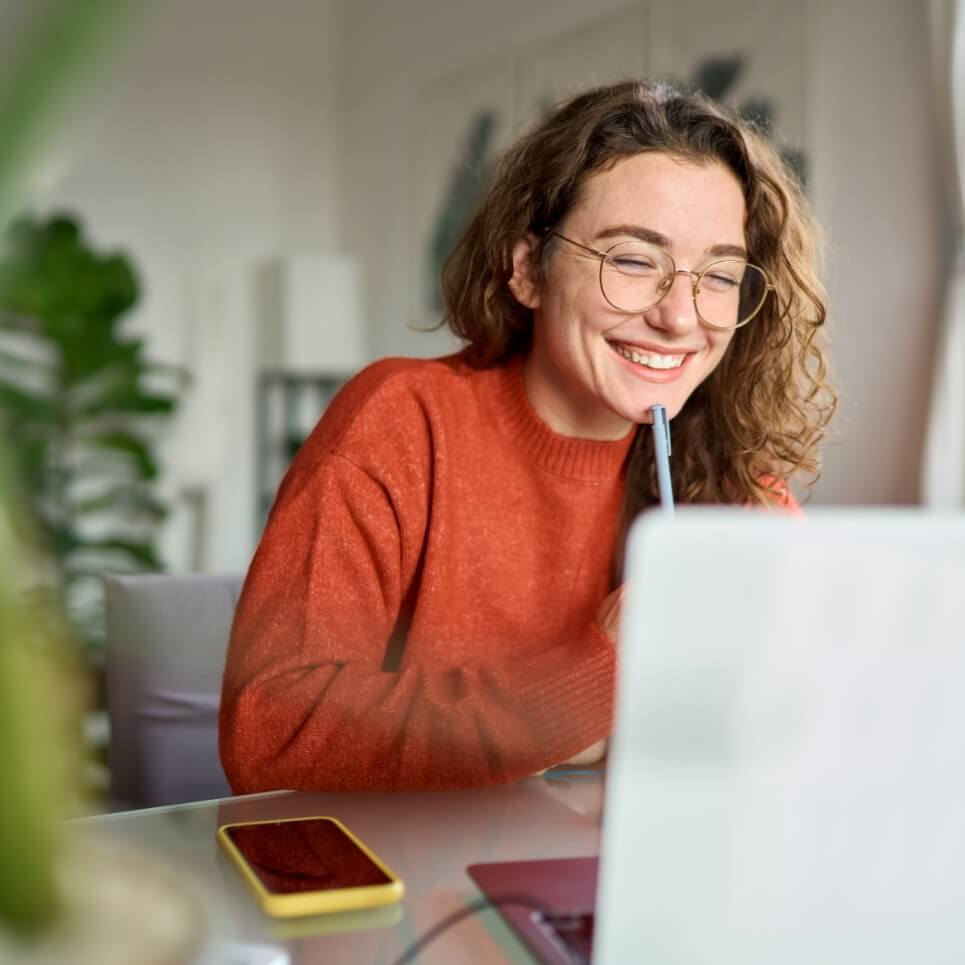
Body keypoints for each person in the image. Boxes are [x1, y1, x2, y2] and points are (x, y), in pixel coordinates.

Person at [219, 80, 835, 793]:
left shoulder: (730, 476)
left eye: (718, 275)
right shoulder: (400, 422)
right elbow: (270, 731)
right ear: (526, 269)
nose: (679, 316)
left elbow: (799, 728)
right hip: (408, 887)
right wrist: (596, 677)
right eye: (633, 260)